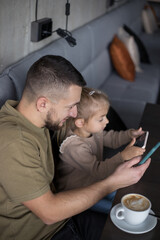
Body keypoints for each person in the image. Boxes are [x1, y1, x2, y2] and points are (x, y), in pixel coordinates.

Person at [0, 55, 151, 240]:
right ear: (42, 103)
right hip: (45, 234)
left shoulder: (35, 120)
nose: (73, 114)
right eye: (70, 107)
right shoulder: (15, 142)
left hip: (65, 218)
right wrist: (113, 181)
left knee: (136, 231)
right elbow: (49, 213)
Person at [55, 87, 146, 214]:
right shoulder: (73, 147)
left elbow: (112, 138)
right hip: (78, 193)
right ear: (80, 122)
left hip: (95, 182)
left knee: (124, 193)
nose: (107, 121)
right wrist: (123, 156)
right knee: (117, 209)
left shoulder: (93, 131)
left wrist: (130, 134)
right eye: (101, 118)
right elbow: (98, 171)